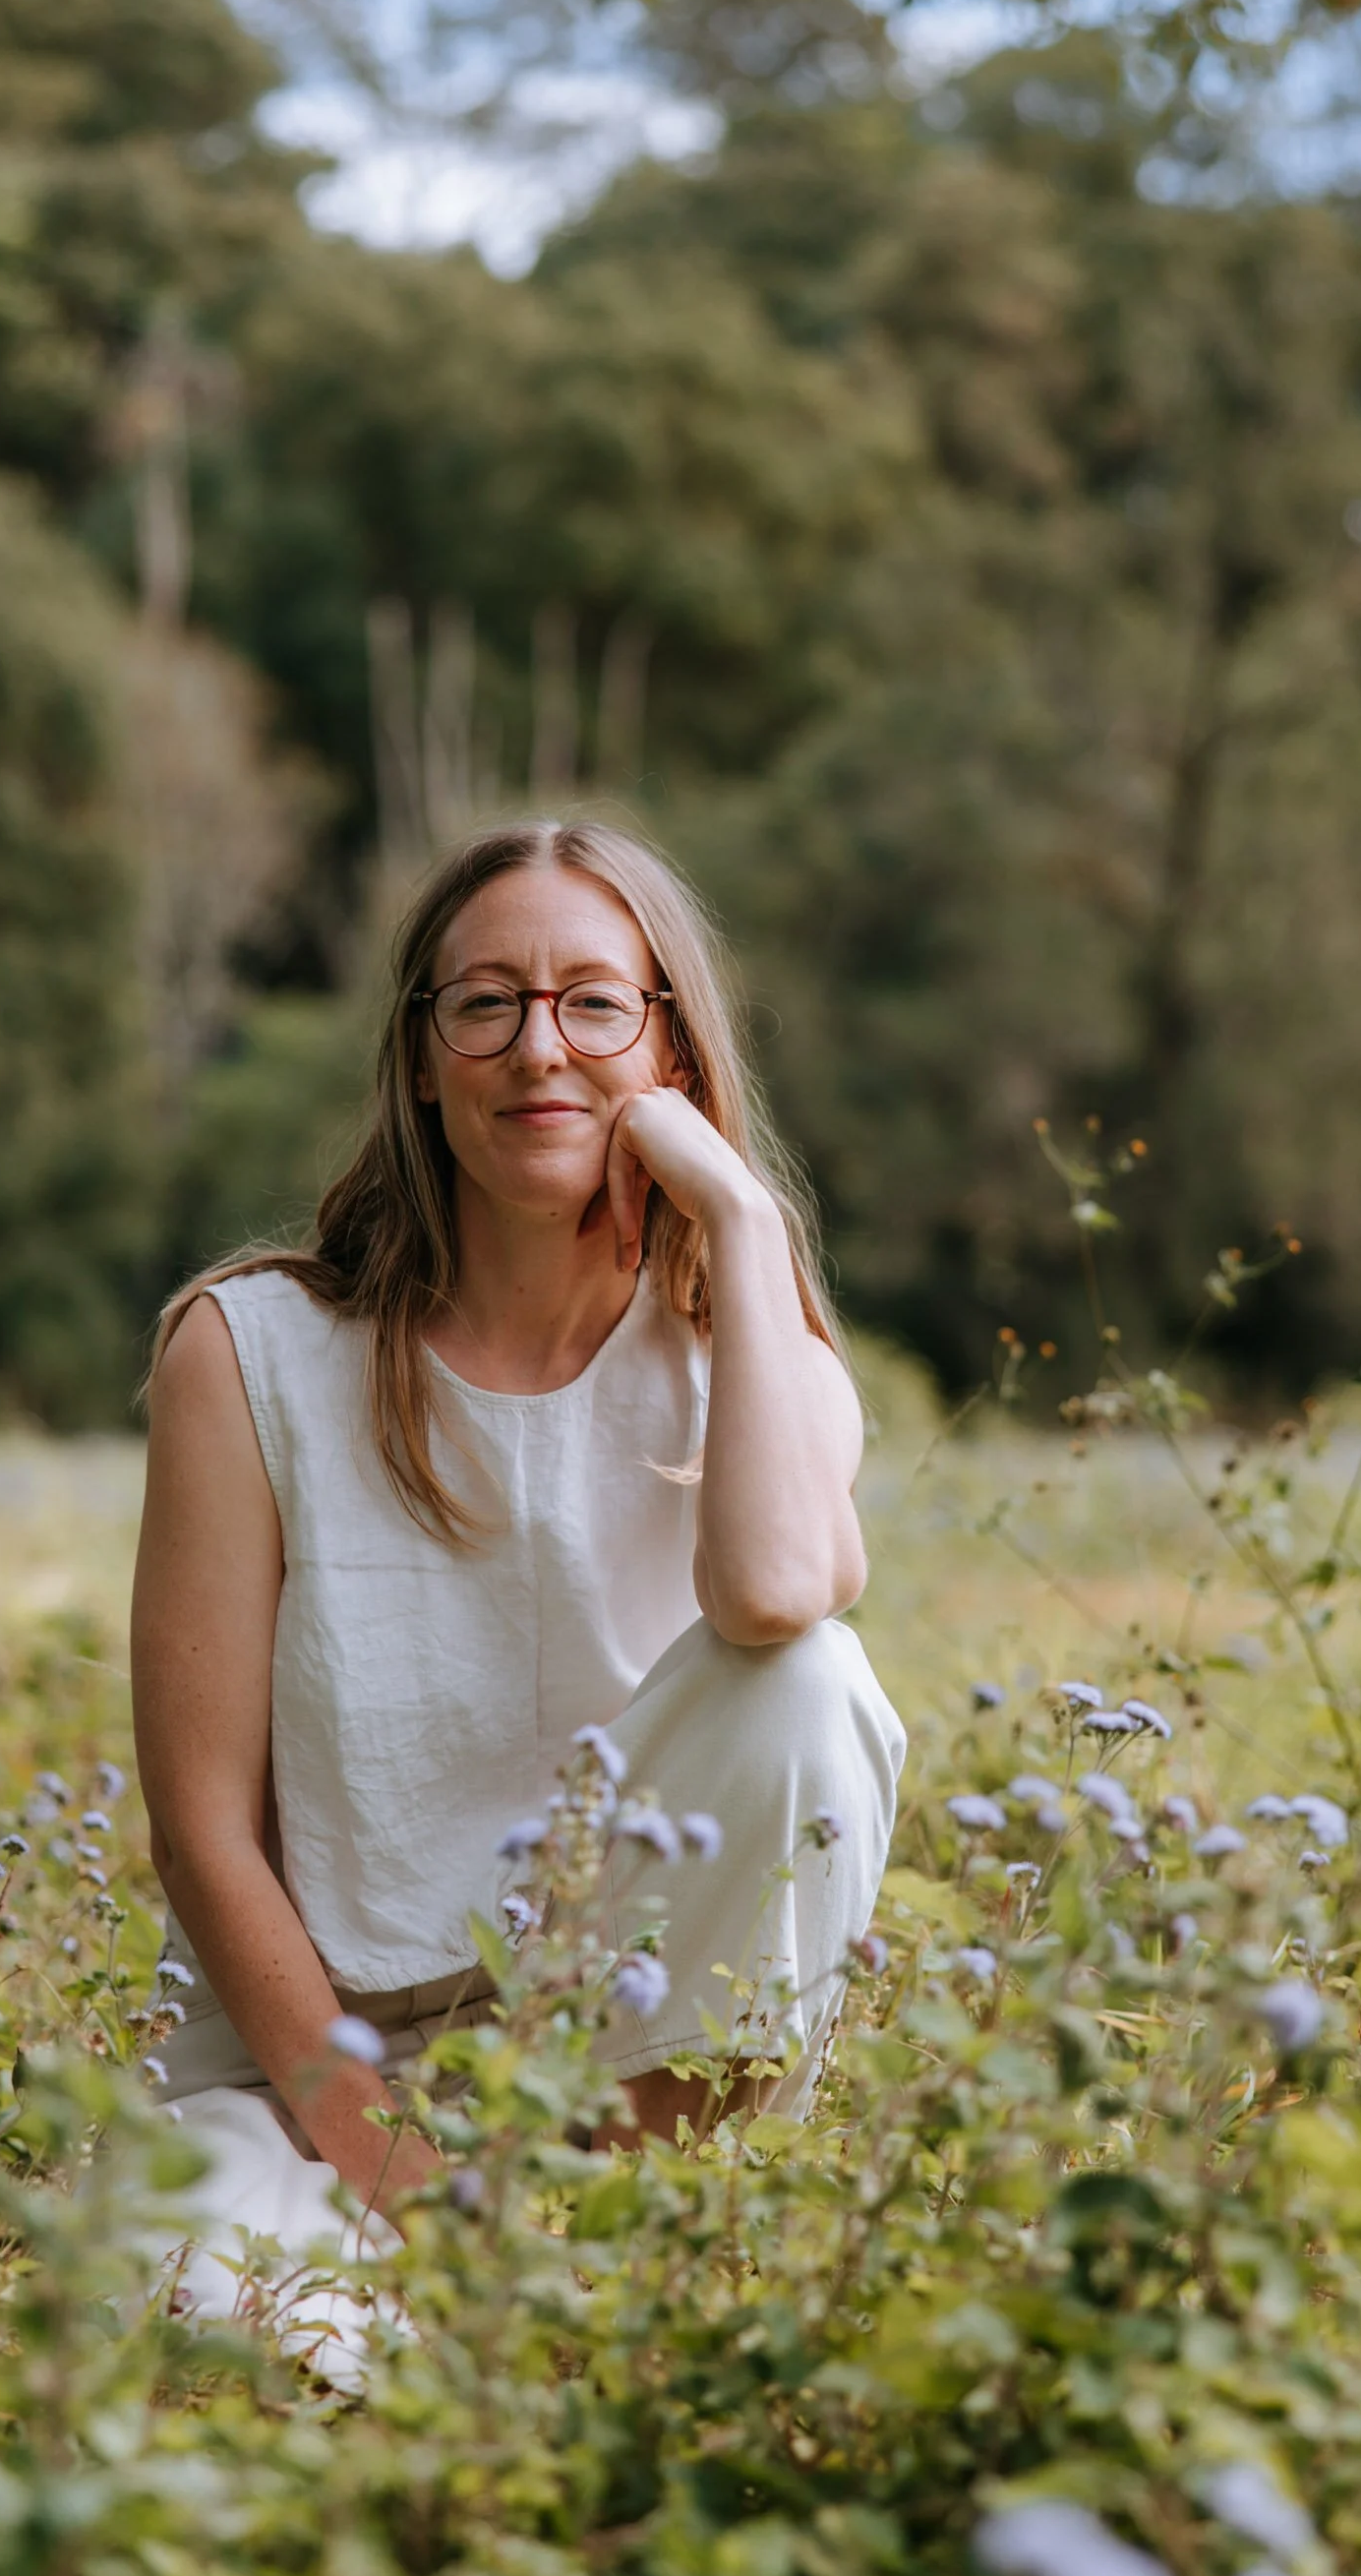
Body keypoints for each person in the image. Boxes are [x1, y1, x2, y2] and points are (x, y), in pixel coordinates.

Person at [131, 818, 904, 2236]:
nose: (540, 1050)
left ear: (673, 1050)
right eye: (485, 1004)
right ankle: (476, 2261)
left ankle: (624, 2218)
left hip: (616, 2064)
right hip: (313, 2072)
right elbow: (203, 1836)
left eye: (595, 1002)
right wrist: (401, 2177)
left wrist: (736, 1214)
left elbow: (780, 1592)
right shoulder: (248, 1355)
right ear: (423, 1062)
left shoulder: (756, 1358)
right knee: (234, 2345)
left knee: (810, 1677)